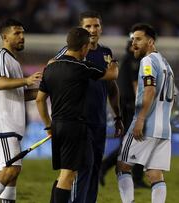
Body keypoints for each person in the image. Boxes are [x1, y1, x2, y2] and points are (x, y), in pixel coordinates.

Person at [36, 27, 119, 203]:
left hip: (57, 125)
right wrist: (114, 63)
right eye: (87, 47)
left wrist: (48, 125)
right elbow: (113, 74)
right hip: (75, 127)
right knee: (70, 174)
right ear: (83, 48)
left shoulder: (50, 68)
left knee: (66, 172)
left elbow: (39, 100)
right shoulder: (81, 66)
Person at [54, 11, 124, 203]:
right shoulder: (71, 51)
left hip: (99, 121)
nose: (93, 30)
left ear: (101, 28)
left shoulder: (106, 53)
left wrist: (118, 117)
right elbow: (52, 68)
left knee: (94, 168)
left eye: (96, 26)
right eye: (88, 26)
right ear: (80, 29)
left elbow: (112, 88)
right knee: (78, 169)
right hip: (77, 122)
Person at [0, 18, 42, 203]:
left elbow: (21, 95)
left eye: (23, 33)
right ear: (5, 36)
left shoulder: (13, 61)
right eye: (17, 33)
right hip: (2, 124)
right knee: (11, 170)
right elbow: (0, 83)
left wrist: (45, 91)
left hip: (12, 126)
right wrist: (26, 80)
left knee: (12, 175)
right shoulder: (0, 57)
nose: (22, 37)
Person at [116, 23, 175, 203]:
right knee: (155, 174)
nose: (134, 43)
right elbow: (174, 95)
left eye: (139, 39)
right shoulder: (166, 64)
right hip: (164, 128)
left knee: (122, 166)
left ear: (150, 41)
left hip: (146, 125)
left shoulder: (147, 61)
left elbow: (149, 90)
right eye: (133, 39)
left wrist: (140, 119)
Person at [99, 37, 149, 188]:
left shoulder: (127, 60)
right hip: (131, 107)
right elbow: (136, 86)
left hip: (127, 106)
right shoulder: (134, 62)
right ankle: (107, 168)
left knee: (134, 143)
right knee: (134, 143)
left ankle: (133, 177)